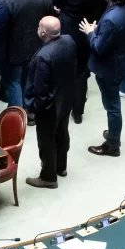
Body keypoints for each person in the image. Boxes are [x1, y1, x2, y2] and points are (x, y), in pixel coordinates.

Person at [80, 0, 125, 157]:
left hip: (109, 67)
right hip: (121, 60)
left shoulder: (112, 18)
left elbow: (98, 47)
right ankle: (114, 134)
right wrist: (100, 31)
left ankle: (113, 144)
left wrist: (90, 33)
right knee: (112, 104)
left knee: (112, 106)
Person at [25, 17, 75, 188]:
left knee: (46, 140)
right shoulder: (68, 41)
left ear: (43, 32)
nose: (37, 28)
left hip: (49, 106)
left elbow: (40, 89)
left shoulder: (43, 57)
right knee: (62, 132)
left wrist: (38, 110)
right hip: (66, 98)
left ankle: (48, 176)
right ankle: (61, 167)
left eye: (39, 26)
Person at [52, 0, 101, 124]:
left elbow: (53, 0)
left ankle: (62, 109)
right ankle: (78, 111)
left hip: (68, 35)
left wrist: (60, 7)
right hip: (86, 33)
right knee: (81, 73)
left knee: (64, 72)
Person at [4, 0, 53, 112]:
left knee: (13, 82)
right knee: (30, 80)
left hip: (15, 47)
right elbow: (49, 18)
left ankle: (18, 115)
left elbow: (5, 25)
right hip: (38, 45)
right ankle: (30, 112)